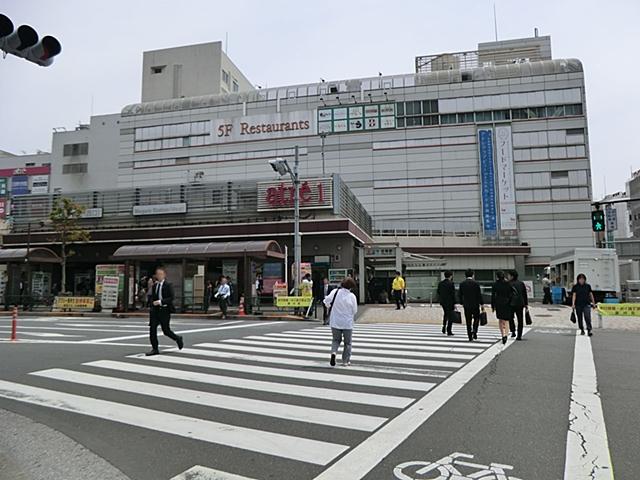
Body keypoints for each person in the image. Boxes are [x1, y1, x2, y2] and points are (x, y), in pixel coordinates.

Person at [146, 267, 183, 356]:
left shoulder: (168, 285)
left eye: (161, 274)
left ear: (164, 275)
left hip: (165, 309)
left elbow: (171, 297)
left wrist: (161, 302)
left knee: (166, 330)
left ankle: (177, 338)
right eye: (157, 274)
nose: (159, 276)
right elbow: (151, 297)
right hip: (155, 311)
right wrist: (152, 303)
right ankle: (155, 348)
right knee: (152, 329)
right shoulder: (154, 286)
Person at [323, 277, 358, 367]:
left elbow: (326, 301)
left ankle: (334, 353)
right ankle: (345, 361)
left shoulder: (335, 292)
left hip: (335, 321)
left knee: (336, 340)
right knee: (347, 343)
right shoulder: (352, 296)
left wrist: (329, 306)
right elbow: (355, 310)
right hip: (347, 323)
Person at [458, 269, 484, 341]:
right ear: (472, 275)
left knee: (468, 320)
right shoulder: (476, 283)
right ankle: (475, 331)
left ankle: (469, 335)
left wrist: (461, 302)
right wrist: (481, 304)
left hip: (466, 304)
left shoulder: (462, 284)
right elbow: (479, 294)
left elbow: (460, 294)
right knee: (476, 318)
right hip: (475, 304)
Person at [491, 270, 513, 344]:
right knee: (506, 320)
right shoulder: (508, 284)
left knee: (500, 320)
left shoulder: (495, 284)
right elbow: (511, 294)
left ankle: (502, 334)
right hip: (506, 303)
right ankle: (506, 335)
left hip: (498, 303)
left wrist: (493, 306)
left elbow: (493, 295)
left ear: (497, 276)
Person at [508, 270, 528, 340]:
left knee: (510, 318)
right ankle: (519, 335)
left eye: (509, 275)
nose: (508, 277)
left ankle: (513, 331)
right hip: (520, 303)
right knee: (520, 319)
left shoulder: (508, 284)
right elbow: (524, 294)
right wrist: (526, 304)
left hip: (511, 304)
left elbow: (507, 295)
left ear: (512, 276)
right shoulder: (521, 283)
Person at [437, 271, 456, 336]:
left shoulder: (441, 283)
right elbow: (453, 294)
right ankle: (449, 330)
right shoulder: (451, 284)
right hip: (450, 302)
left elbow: (438, 292)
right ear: (450, 276)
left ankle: (444, 326)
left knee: (445, 314)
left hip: (443, 301)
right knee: (450, 316)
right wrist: (454, 302)